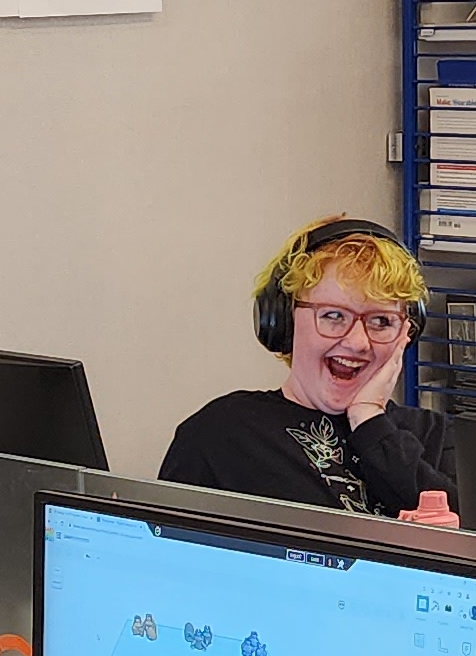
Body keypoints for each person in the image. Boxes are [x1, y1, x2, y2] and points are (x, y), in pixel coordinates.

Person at [157, 215, 457, 516]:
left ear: (406, 334)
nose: (357, 342)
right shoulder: (220, 435)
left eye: (381, 321)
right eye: (333, 316)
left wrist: (369, 421)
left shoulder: (434, 436)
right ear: (284, 321)